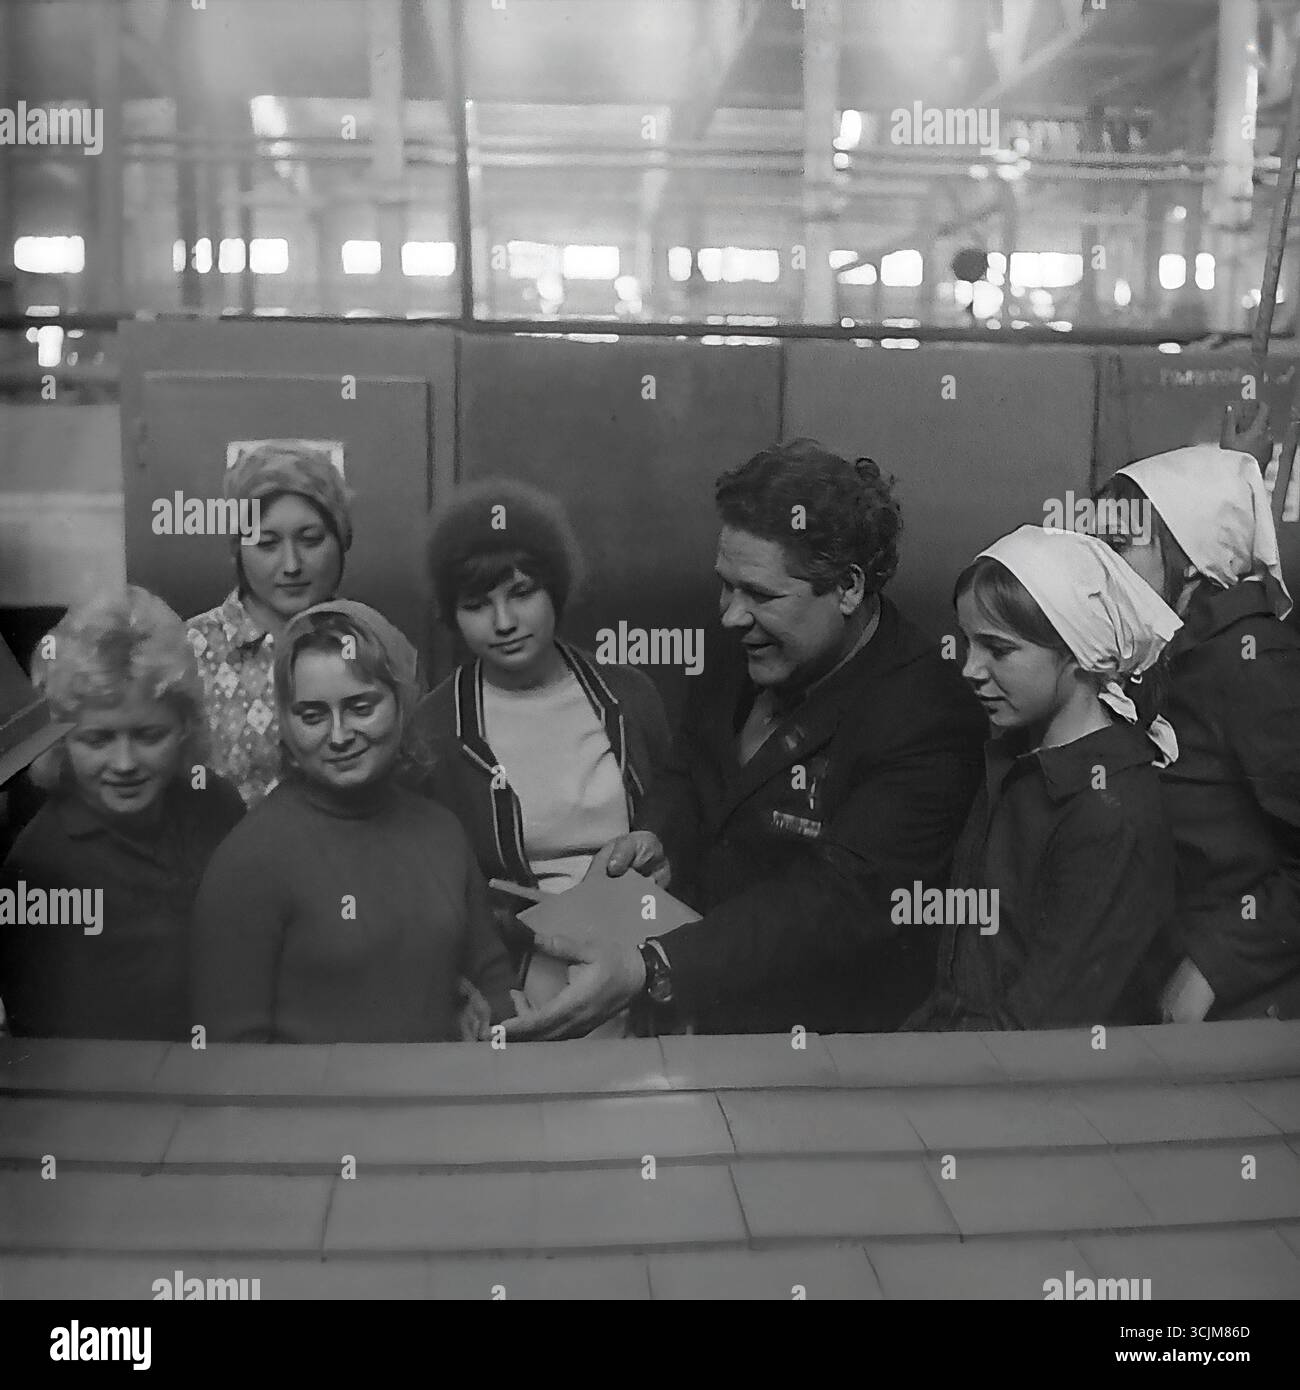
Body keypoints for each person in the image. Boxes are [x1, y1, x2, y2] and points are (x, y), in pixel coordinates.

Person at [504, 439, 987, 1039]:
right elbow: (692, 768)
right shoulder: (749, 647)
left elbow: (840, 900)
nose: (730, 615)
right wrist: (662, 836)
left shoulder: (927, 713)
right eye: (725, 586)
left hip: (818, 1049)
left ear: (849, 587)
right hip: (698, 1021)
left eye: (759, 594)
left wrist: (654, 966)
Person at [191, 600, 514, 1043]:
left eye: (361, 707)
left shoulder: (441, 831)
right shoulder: (251, 860)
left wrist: (495, 1033)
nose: (339, 736)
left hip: (445, 1102)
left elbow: (494, 977)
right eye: (313, 716)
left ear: (402, 704)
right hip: (312, 1110)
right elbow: (231, 1053)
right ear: (284, 723)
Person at [904, 526, 1180, 1030]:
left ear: (1079, 653)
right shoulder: (1015, 763)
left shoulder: (1108, 811)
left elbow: (1045, 1023)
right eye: (968, 643)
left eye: (998, 650)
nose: (970, 668)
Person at [409, 479, 671, 969]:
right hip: (519, 969)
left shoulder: (630, 696)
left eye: (522, 593)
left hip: (645, 955)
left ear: (556, 590)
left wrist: (662, 863)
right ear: (452, 615)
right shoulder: (435, 727)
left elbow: (678, 822)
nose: (503, 621)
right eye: (476, 604)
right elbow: (435, 888)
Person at [1096, 443, 1300, 1020]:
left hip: (1248, 1013)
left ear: (1189, 555)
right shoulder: (1155, 654)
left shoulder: (1253, 663)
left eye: (1118, 545)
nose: (1097, 566)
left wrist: (1211, 965)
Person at [0, 588, 244, 1040]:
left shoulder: (217, 805)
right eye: (97, 740)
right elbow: (42, 1047)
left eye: (149, 735)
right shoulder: (37, 868)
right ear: (60, 743)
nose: (125, 763)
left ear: (185, 728)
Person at [188, 440, 352, 807]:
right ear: (238, 550)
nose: (291, 564)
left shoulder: (369, 644)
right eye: (267, 543)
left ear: (342, 541)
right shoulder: (188, 653)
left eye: (311, 540)